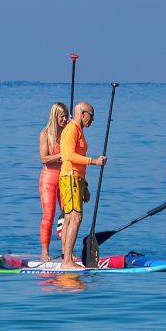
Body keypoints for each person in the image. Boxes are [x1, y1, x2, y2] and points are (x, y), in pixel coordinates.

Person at [58, 101, 107, 269]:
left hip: (76, 178)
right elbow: (69, 155)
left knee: (71, 218)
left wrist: (84, 185)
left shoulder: (79, 130)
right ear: (82, 113)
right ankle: (67, 262)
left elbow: (78, 161)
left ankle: (67, 256)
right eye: (91, 116)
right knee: (75, 218)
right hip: (70, 176)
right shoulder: (72, 129)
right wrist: (94, 161)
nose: (92, 120)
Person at [38, 102, 69, 261]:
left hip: (65, 177)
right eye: (61, 116)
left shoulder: (67, 132)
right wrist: (60, 155)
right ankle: (45, 252)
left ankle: (66, 252)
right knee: (48, 215)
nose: (64, 119)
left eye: (66, 116)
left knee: (69, 214)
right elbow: (44, 158)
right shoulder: (45, 133)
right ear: (54, 116)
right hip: (49, 179)